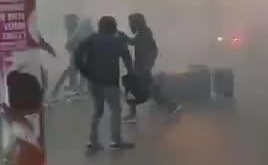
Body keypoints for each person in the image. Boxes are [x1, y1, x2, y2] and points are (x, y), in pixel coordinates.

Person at [74, 16, 135, 151]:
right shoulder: (117, 41)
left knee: (98, 110)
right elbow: (126, 57)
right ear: (113, 27)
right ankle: (116, 140)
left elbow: (77, 57)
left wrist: (86, 72)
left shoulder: (91, 39)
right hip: (110, 81)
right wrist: (131, 73)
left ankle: (93, 141)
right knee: (115, 109)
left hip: (93, 81)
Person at [123, 13, 180, 122]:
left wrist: (147, 65)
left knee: (134, 89)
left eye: (131, 22)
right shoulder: (142, 33)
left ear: (136, 23)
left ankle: (133, 114)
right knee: (148, 90)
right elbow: (133, 42)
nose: (130, 25)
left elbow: (154, 50)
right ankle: (172, 105)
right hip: (142, 68)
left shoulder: (144, 35)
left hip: (142, 69)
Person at [52, 15, 93, 99]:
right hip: (79, 56)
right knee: (75, 72)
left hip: (80, 56)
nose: (66, 24)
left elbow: (69, 44)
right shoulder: (80, 31)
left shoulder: (79, 31)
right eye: (67, 22)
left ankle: (78, 89)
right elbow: (69, 45)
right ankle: (77, 89)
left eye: (68, 22)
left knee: (77, 73)